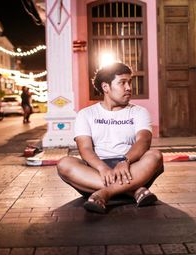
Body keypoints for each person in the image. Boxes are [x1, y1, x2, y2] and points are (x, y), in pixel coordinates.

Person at [57, 62, 164, 214]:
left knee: (155, 156)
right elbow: (85, 148)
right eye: (122, 83)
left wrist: (124, 161)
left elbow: (143, 141)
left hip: (131, 168)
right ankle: (133, 191)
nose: (128, 88)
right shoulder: (86, 114)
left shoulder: (139, 112)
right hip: (96, 171)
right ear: (106, 87)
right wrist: (102, 167)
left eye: (129, 82)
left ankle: (104, 193)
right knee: (64, 164)